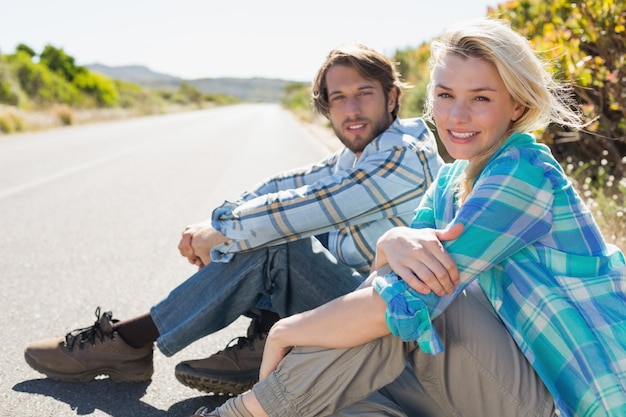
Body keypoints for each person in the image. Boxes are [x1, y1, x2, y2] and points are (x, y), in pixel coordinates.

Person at [192, 18, 626, 417]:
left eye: (480, 98)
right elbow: (381, 277)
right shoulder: (451, 180)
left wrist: (288, 330)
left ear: (516, 106)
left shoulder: (524, 172)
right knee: (339, 402)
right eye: (444, 95)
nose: (456, 116)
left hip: (565, 402)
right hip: (485, 380)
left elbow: (407, 298)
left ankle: (243, 413)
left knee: (416, 298)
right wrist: (390, 242)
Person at [23, 44, 444, 396]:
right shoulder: (355, 157)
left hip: (394, 327)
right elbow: (286, 185)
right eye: (338, 98)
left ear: (391, 98)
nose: (351, 109)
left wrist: (223, 232)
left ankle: (128, 341)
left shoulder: (404, 156)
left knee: (278, 239)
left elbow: (311, 205)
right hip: (356, 308)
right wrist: (213, 225)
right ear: (326, 108)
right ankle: (264, 342)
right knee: (260, 231)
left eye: (364, 93)